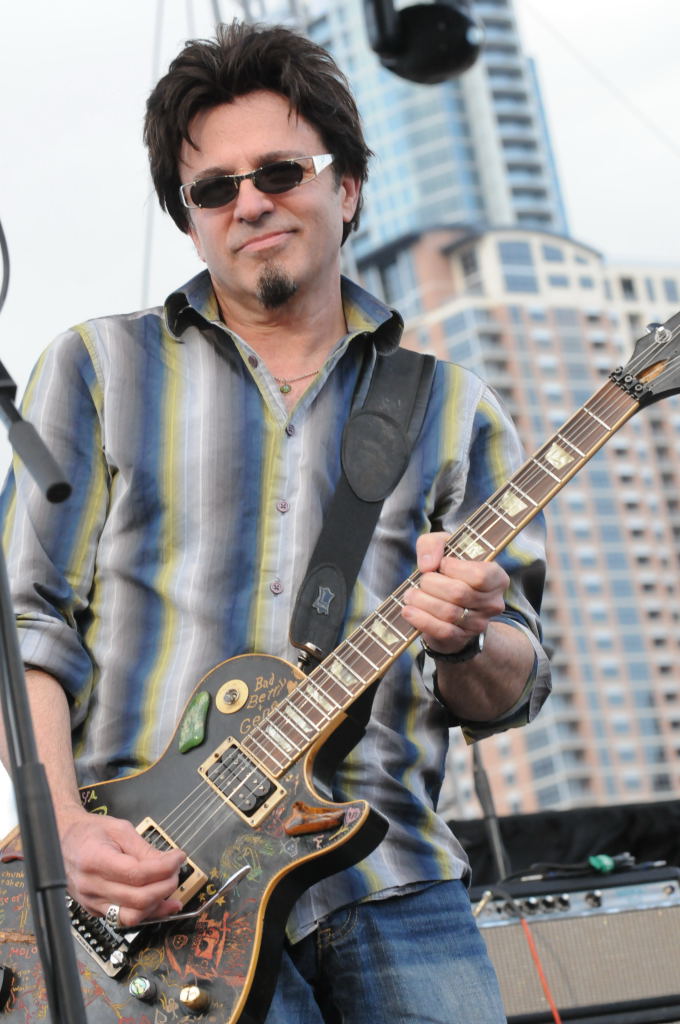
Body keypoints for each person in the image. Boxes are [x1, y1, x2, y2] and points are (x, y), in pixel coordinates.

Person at [0, 21, 550, 1024]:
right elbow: (24, 628)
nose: (249, 201)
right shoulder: (95, 369)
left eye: (282, 171)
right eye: (213, 188)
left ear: (348, 188)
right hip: (146, 892)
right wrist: (62, 831)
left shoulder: (450, 407)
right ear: (191, 221)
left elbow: (510, 688)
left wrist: (467, 636)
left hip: (391, 878)